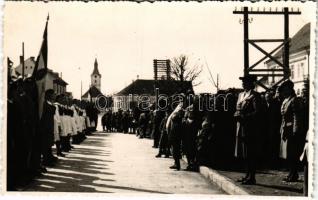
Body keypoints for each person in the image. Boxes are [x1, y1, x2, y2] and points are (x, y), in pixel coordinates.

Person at [234, 75, 261, 185]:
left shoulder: (255, 96)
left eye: (246, 82)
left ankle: (252, 176)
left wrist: (245, 117)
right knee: (244, 152)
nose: (243, 84)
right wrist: (236, 114)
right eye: (243, 82)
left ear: (252, 83)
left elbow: (258, 112)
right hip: (240, 127)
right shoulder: (241, 94)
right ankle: (247, 175)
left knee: (250, 152)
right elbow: (238, 109)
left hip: (250, 128)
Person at [279, 80, 305, 182]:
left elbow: (296, 116)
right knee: (288, 153)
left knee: (292, 153)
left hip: (291, 130)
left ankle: (294, 174)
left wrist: (296, 129)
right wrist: (282, 128)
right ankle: (291, 173)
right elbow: (283, 117)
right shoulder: (286, 100)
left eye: (286, 89)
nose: (284, 92)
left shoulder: (294, 100)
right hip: (286, 129)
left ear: (290, 89)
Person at [40, 89, 58, 167]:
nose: (54, 95)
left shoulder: (50, 104)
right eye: (53, 94)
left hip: (50, 126)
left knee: (49, 143)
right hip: (45, 126)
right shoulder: (44, 104)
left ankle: (49, 157)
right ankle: (45, 160)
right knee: (45, 144)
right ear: (49, 95)